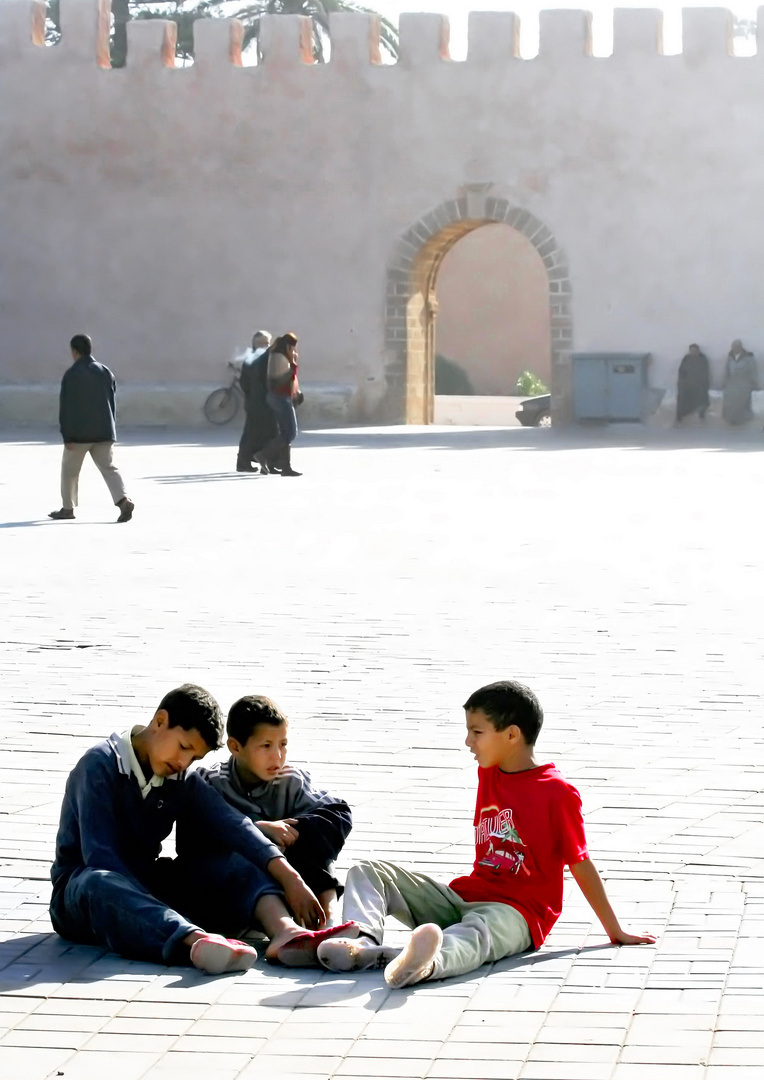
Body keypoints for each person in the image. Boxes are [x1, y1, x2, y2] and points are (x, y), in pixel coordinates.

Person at [317, 680, 655, 989]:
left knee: (474, 935)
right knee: (368, 871)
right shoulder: (489, 771)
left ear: (511, 735)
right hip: (465, 896)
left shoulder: (557, 792)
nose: (468, 742)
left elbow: (580, 863)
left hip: (519, 913)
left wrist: (615, 931)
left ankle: (423, 963)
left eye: (476, 732)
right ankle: (360, 944)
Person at [49, 683, 357, 974]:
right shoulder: (99, 766)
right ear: (160, 721)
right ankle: (193, 942)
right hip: (83, 893)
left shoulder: (179, 778)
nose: (184, 762)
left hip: (148, 885)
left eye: (194, 757)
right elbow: (100, 858)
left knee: (230, 857)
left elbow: (234, 824)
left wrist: (289, 877)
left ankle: (286, 934)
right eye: (183, 747)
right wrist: (158, 909)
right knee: (100, 882)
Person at [199, 695, 352, 926]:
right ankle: (283, 929)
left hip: (296, 879)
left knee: (316, 842)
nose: (278, 757)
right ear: (235, 747)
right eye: (266, 746)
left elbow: (339, 814)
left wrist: (294, 834)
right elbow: (194, 837)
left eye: (283, 745)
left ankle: (328, 923)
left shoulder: (291, 781)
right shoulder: (211, 782)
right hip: (234, 886)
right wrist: (259, 831)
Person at [48, 334, 134, 523]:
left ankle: (68, 508)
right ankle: (123, 501)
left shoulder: (72, 374)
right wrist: (111, 430)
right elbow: (112, 401)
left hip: (79, 435)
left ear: (74, 351)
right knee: (109, 468)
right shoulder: (105, 371)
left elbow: (67, 408)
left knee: (69, 471)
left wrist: (67, 435)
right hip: (104, 432)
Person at [236, 330, 276, 473]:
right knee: (262, 431)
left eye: (268, 342)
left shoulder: (252, 357)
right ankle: (257, 460)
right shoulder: (262, 358)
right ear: (255, 344)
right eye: (263, 343)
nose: (267, 345)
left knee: (253, 431)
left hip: (255, 400)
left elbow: (243, 382)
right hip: (261, 401)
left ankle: (245, 461)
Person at [266, 332, 302, 477]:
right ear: (288, 346)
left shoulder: (279, 356)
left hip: (280, 397)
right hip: (280, 398)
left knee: (285, 433)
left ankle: (280, 464)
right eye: (293, 348)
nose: (294, 351)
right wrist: (293, 366)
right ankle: (265, 454)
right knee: (290, 432)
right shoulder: (279, 358)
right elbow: (277, 382)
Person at [722, 339, 758, 425]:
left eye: (738, 346)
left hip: (744, 383)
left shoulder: (748, 358)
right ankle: (731, 419)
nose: (735, 348)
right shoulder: (730, 357)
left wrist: (753, 382)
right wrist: (724, 381)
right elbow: (726, 371)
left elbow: (752, 371)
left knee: (742, 402)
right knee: (730, 402)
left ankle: (742, 419)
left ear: (741, 347)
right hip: (731, 384)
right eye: (734, 346)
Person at [675, 343, 710, 423]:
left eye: (695, 350)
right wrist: (682, 382)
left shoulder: (702, 359)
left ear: (698, 351)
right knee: (681, 396)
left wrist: (702, 383)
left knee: (702, 396)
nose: (693, 352)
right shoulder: (686, 359)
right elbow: (681, 372)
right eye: (692, 350)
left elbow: (705, 373)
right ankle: (679, 416)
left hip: (699, 384)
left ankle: (701, 415)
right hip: (687, 383)